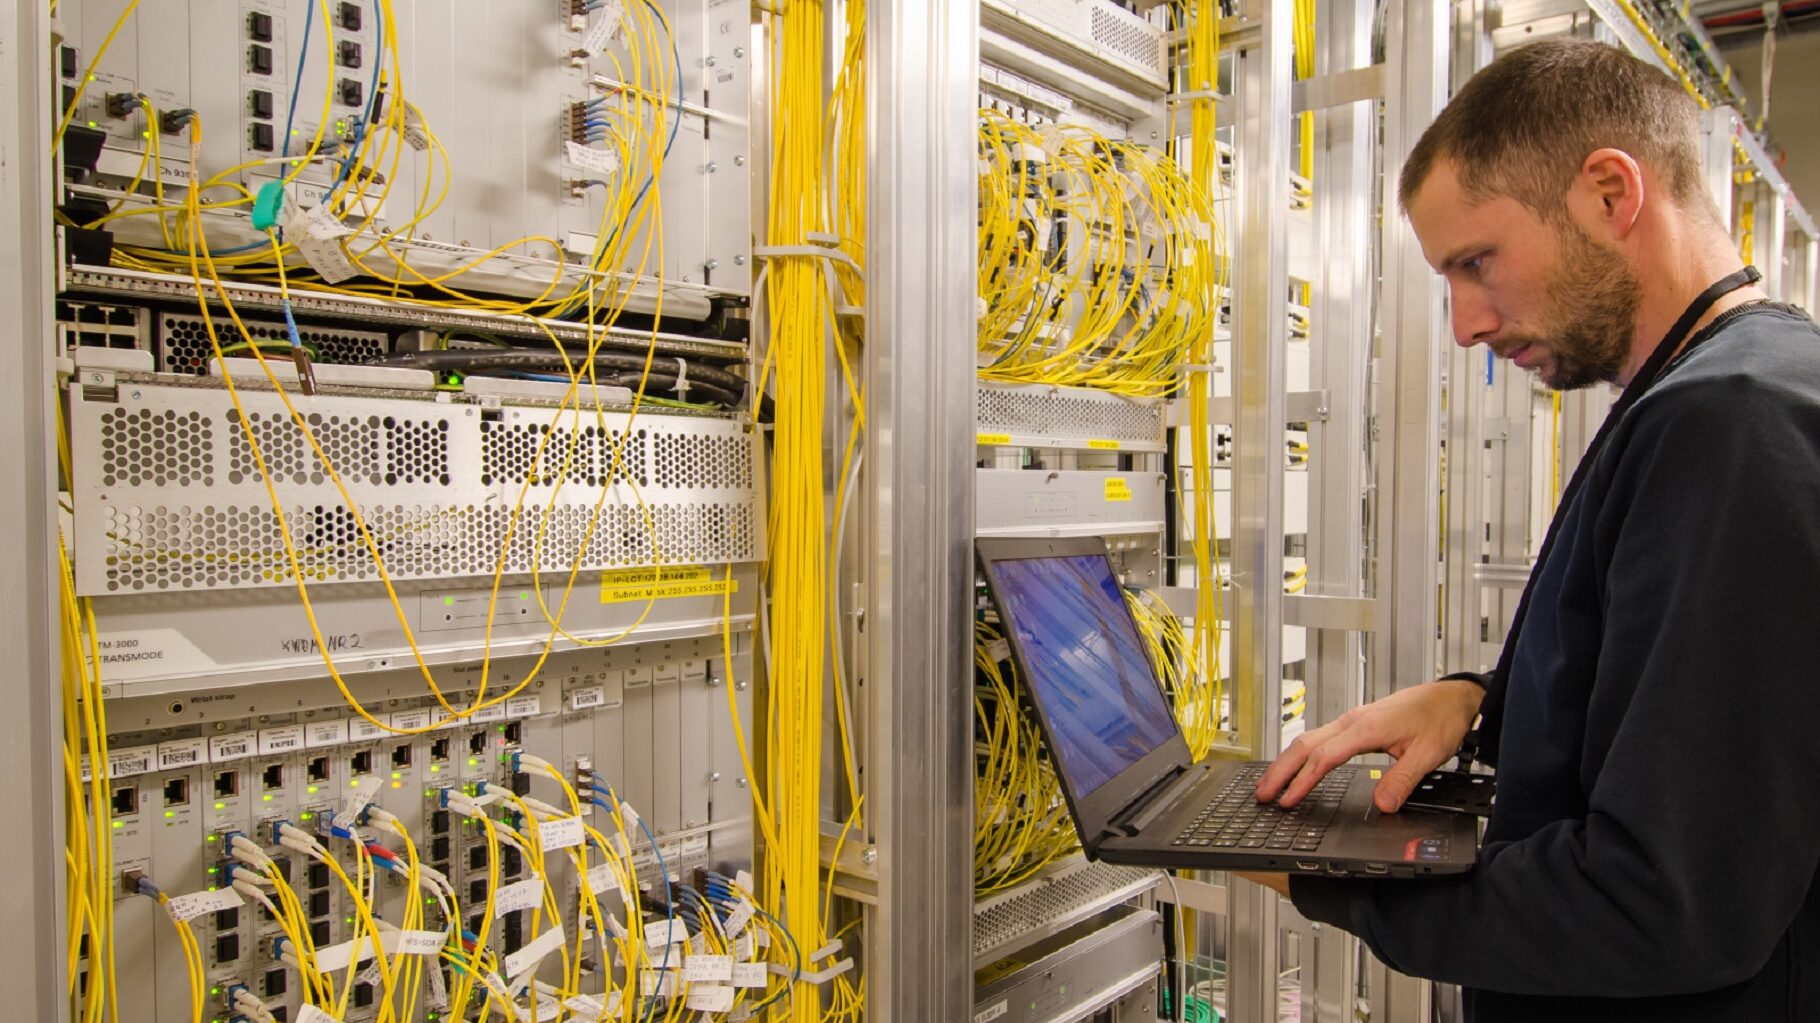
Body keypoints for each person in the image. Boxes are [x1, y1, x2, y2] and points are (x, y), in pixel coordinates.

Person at [1243, 38, 1820, 1022]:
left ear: (1608, 193)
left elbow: (1659, 903)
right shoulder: (1725, 385)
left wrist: (1320, 874)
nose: (1463, 322)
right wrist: (1479, 701)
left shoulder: (1728, 424)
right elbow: (1676, 711)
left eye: (1475, 261)